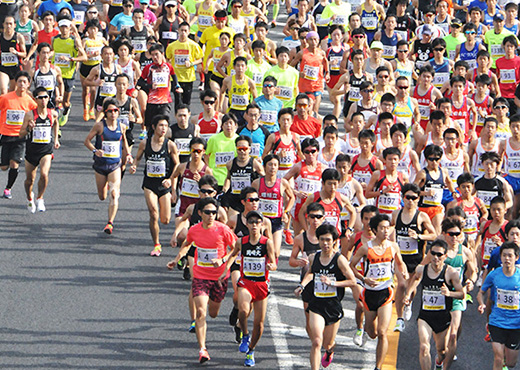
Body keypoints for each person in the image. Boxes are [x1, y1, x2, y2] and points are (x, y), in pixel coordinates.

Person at [170, 197, 238, 364]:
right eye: (207, 212)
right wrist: (178, 258)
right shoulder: (194, 230)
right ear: (200, 213)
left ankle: (209, 301)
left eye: (214, 212)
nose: (211, 215)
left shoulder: (223, 230)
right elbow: (187, 244)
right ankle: (202, 349)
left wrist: (223, 261)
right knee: (201, 312)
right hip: (200, 276)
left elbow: (237, 247)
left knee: (213, 313)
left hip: (220, 277)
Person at [349, 214, 408, 370]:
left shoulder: (393, 246)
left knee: (382, 332)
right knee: (372, 332)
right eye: (382, 228)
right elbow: (351, 266)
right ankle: (364, 328)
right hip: (369, 293)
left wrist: (404, 272)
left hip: (386, 292)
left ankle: (378, 367)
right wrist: (364, 279)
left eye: (387, 227)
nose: (386, 231)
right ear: (374, 230)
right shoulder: (365, 248)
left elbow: (400, 262)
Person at [295, 223, 356, 370]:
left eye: (328, 240)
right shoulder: (313, 257)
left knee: (327, 343)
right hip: (316, 304)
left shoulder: (339, 260)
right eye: (322, 239)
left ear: (334, 241)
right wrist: (302, 285)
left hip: (333, 306)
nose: (325, 243)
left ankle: (329, 351)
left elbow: (352, 281)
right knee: (316, 341)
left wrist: (333, 283)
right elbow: (311, 272)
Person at [222, 210, 276, 367]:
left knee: (259, 324)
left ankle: (251, 351)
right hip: (246, 282)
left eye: (257, 222)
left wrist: (271, 265)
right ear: (246, 224)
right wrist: (225, 269)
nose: (254, 225)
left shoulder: (267, 243)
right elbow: (233, 255)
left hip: (261, 285)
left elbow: (273, 262)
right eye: (251, 222)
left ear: (262, 225)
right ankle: (245, 335)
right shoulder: (242, 242)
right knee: (243, 311)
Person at [404, 239, 465, 370]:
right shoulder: (421, 269)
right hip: (425, 316)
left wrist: (449, 294)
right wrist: (408, 295)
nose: (436, 257)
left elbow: (461, 294)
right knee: (424, 347)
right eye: (433, 253)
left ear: (445, 256)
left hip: (442, 317)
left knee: (442, 351)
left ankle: (439, 362)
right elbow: (415, 280)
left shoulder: (451, 273)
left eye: (439, 255)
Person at [130, 115, 179, 256]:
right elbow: (138, 158)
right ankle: (157, 244)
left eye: (165, 126)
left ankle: (158, 236)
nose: (163, 128)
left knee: (165, 219)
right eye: (160, 125)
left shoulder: (170, 145)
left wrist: (170, 179)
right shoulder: (145, 143)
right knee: (153, 212)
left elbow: (177, 164)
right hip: (149, 184)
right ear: (154, 127)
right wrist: (134, 166)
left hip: (164, 185)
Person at [391, 183, 437, 332]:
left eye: (414, 198)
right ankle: (399, 319)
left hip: (415, 257)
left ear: (418, 199)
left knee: (412, 287)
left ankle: (409, 302)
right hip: (400, 257)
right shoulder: (396, 214)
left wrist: (418, 236)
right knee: (402, 285)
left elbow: (434, 234)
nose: (410, 201)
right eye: (407, 197)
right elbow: (390, 229)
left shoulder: (421, 216)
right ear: (403, 198)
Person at [84, 98, 133, 234]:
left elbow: (124, 141)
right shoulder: (100, 126)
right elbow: (87, 141)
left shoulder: (121, 126)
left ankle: (110, 223)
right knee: (102, 196)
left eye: (115, 111)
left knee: (113, 194)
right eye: (110, 111)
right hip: (100, 165)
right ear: (105, 113)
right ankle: (107, 186)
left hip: (114, 165)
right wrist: (95, 150)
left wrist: (128, 154)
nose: (113, 114)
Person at [478, 242, 520, 370]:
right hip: (497, 321)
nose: (507, 259)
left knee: (511, 363)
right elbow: (481, 292)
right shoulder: (494, 274)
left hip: (516, 324)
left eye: (510, 256)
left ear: (516, 258)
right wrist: (481, 304)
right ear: (500, 257)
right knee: (498, 357)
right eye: (504, 256)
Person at [18, 86, 59, 212]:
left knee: (44, 174)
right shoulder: (30, 115)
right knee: (29, 180)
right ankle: (29, 198)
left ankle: (40, 198)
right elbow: (21, 134)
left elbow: (56, 123)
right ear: (35, 100)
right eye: (40, 98)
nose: (43, 100)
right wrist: (29, 128)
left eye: (45, 97)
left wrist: (56, 139)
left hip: (46, 150)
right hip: (32, 150)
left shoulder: (53, 114)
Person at [0, 71, 37, 199]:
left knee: (14, 164)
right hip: (6, 134)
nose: (22, 84)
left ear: (28, 85)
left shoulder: (30, 102)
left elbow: (36, 116)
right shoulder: (6, 98)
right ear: (15, 83)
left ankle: (8, 188)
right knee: (4, 167)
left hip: (20, 136)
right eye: (19, 81)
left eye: (24, 82)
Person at [289, 202, 325, 335]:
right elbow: (291, 260)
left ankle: (323, 343)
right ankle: (315, 343)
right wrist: (298, 262)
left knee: (325, 318)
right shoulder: (300, 238)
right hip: (307, 282)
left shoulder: (329, 237)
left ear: (323, 218)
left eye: (318, 217)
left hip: (325, 282)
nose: (315, 220)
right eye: (312, 217)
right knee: (309, 319)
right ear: (307, 218)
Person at [252, 154, 295, 258]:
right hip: (261, 220)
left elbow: (292, 198)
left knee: (275, 253)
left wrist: (286, 212)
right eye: (270, 164)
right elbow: (251, 198)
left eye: (275, 165)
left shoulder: (283, 183)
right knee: (260, 251)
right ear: (265, 166)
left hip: (276, 221)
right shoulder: (257, 183)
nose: (273, 167)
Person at [137, 43, 181, 131]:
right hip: (152, 102)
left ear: (162, 54)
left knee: (163, 125)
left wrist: (176, 86)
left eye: (156, 54)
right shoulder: (148, 68)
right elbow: (139, 82)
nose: (155, 57)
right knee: (151, 127)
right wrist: (150, 86)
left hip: (165, 101)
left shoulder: (168, 67)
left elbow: (173, 75)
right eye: (152, 55)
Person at [414, 144, 458, 235]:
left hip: (436, 208)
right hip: (423, 208)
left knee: (437, 232)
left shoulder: (443, 171)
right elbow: (412, 191)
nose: (434, 162)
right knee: (424, 235)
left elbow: (449, 182)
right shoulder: (422, 173)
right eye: (431, 159)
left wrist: (453, 192)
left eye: (437, 159)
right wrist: (425, 193)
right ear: (426, 159)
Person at [53, 16, 87, 126]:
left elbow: (84, 57)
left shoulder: (74, 41)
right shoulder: (54, 39)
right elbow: (51, 52)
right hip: (56, 74)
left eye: (66, 27)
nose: (64, 29)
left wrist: (71, 59)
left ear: (69, 28)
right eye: (62, 27)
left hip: (69, 75)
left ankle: (67, 109)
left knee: (65, 102)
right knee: (56, 100)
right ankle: (56, 124)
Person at [222, 135, 265, 217]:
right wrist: (224, 189)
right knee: (233, 222)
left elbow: (264, 179)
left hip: (250, 200)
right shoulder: (230, 164)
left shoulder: (255, 164)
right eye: (239, 149)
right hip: (235, 198)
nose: (242, 151)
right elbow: (228, 178)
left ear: (249, 149)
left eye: (244, 149)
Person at [165, 21, 203, 107]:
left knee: (186, 101)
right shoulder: (172, 46)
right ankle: (178, 119)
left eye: (185, 31)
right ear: (178, 30)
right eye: (181, 30)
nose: (183, 33)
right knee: (178, 100)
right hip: (176, 77)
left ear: (189, 32)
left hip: (188, 77)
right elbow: (167, 58)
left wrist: (192, 63)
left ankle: (185, 119)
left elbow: (200, 59)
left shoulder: (193, 45)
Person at [84, 46, 123, 118]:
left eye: (110, 54)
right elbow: (86, 82)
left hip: (114, 99)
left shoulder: (117, 68)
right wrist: (96, 83)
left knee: (114, 123)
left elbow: (122, 81)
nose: (109, 56)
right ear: (101, 56)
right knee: (99, 124)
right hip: (101, 100)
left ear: (113, 55)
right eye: (106, 54)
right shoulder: (97, 69)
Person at [204, 114, 238, 190]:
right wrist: (209, 168)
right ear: (222, 126)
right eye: (226, 123)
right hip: (215, 178)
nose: (228, 126)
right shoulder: (214, 139)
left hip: (231, 180)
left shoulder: (238, 140)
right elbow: (206, 155)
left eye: (230, 123)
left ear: (235, 125)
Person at [220, 56, 257, 125]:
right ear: (234, 67)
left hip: (245, 112)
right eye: (238, 65)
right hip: (232, 110)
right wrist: (220, 106)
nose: (240, 68)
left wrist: (252, 112)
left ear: (246, 68)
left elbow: (255, 97)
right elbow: (222, 92)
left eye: (242, 66)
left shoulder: (250, 82)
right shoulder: (227, 80)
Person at [499, 114, 520, 219]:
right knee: (511, 209)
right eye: (513, 127)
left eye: (518, 127)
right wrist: (499, 172)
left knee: (516, 209)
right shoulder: (504, 143)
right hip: (510, 178)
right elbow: (498, 159)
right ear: (509, 127)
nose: (515, 130)